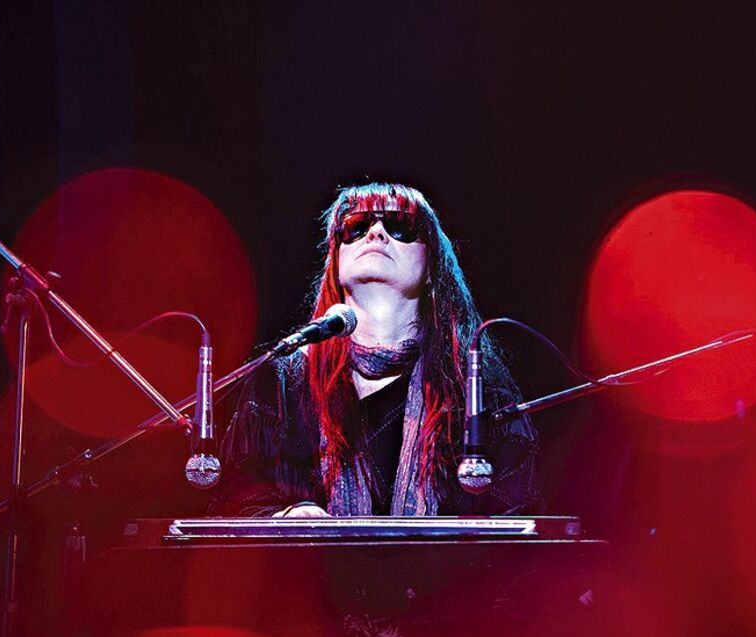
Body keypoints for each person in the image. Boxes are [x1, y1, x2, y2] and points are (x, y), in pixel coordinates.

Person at [208, 182, 541, 517]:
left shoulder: (477, 385)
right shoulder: (280, 383)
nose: (376, 233)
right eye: (356, 226)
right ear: (336, 260)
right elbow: (234, 504)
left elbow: (518, 517)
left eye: (400, 226)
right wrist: (285, 520)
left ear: (431, 266)